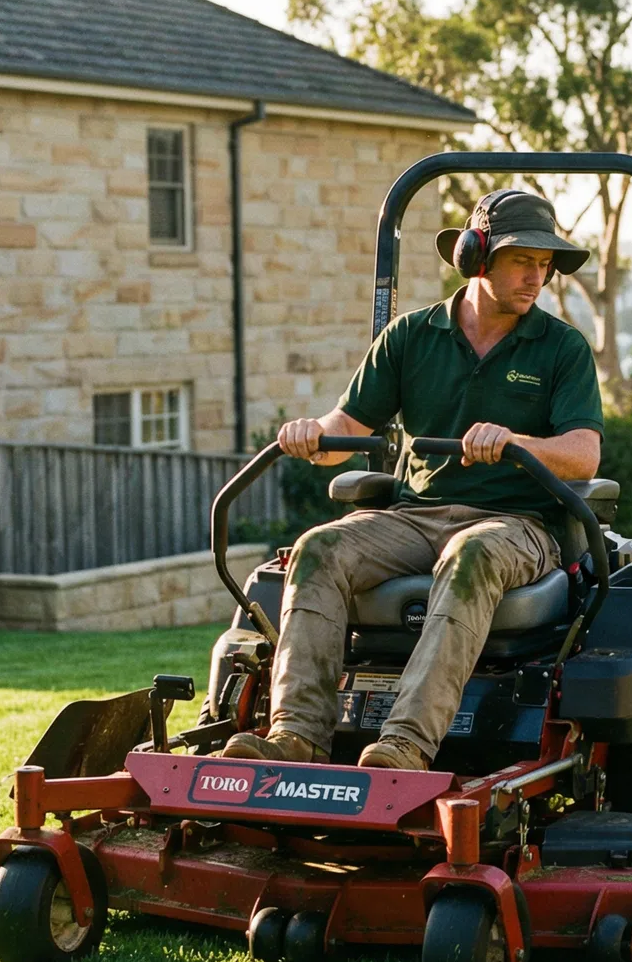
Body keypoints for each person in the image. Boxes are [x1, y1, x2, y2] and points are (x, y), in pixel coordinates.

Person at [223, 189, 603, 770]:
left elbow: (583, 456)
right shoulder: (409, 337)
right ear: (477, 258)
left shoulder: (562, 348)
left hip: (517, 525)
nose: (538, 276)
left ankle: (404, 746)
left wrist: (515, 442)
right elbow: (347, 424)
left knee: (470, 552)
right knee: (317, 547)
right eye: (524, 260)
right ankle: (296, 736)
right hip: (414, 516)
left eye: (545, 264)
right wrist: (313, 435)